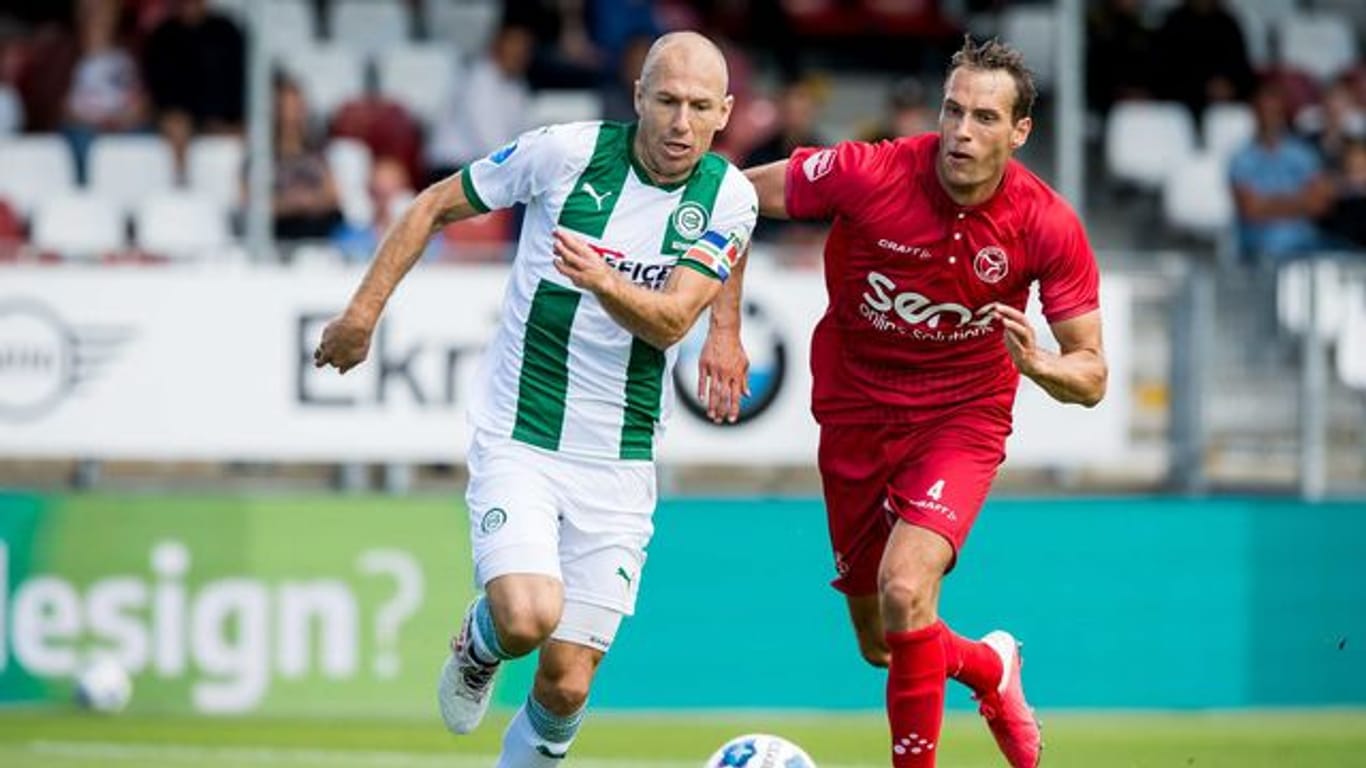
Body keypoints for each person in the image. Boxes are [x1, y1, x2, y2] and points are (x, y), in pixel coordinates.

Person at [313, 31, 756, 767]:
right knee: (527, 617)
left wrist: (683, 310)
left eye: (700, 107)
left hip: (620, 460)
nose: (681, 123)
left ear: (724, 113)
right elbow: (431, 206)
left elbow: (674, 316)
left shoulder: (729, 196)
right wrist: (362, 314)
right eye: (668, 101)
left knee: (568, 682)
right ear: (639, 97)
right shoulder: (566, 153)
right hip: (521, 434)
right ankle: (479, 639)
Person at [722, 37, 1108, 768]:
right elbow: (733, 197)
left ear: (1020, 131)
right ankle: (991, 668)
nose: (962, 131)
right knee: (882, 642)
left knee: (906, 589)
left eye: (986, 118)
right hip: (856, 411)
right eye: (954, 111)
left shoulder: (1046, 223)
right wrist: (723, 327)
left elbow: (1092, 375)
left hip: (961, 417)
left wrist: (1042, 366)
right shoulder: (872, 172)